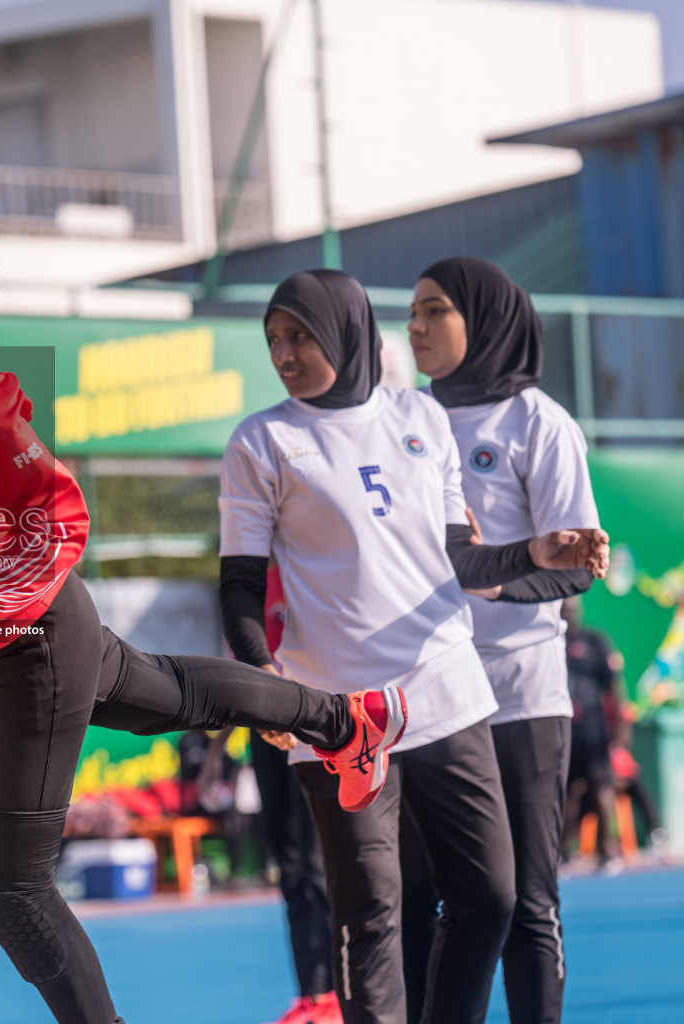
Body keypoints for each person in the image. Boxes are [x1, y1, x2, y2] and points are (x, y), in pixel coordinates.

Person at [0, 128, 399, 1024]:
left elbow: (58, 518)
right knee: (169, 696)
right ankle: (345, 718)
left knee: (10, 891)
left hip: (32, 637)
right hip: (10, 632)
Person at [217, 269, 608, 1024]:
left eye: (300, 335)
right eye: (273, 340)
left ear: (346, 330)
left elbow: (461, 559)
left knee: (496, 899)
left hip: (448, 694)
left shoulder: (423, 416)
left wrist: (539, 553)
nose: (285, 354)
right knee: (374, 916)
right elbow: (239, 582)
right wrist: (259, 673)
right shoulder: (262, 441)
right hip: (340, 719)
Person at [403, 256, 605, 1023]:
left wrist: (493, 580)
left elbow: (574, 569)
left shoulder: (537, 423)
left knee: (524, 901)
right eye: (412, 313)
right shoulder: (403, 419)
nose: (415, 327)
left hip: (520, 689)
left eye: (434, 311)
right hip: (425, 691)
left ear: (482, 319)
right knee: (428, 900)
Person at [250, 566, 340, 1024]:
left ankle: (334, 993)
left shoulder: (310, 560)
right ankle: (310, 993)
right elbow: (243, 659)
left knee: (315, 865)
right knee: (287, 867)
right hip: (261, 720)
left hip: (309, 716)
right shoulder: (251, 573)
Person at [560, 597, 624, 869]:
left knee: (601, 785)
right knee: (565, 790)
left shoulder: (595, 641)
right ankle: (562, 850)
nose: (569, 614)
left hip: (593, 729)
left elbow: (614, 687)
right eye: (564, 609)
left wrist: (619, 732)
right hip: (563, 730)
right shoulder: (550, 643)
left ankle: (607, 848)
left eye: (573, 609)